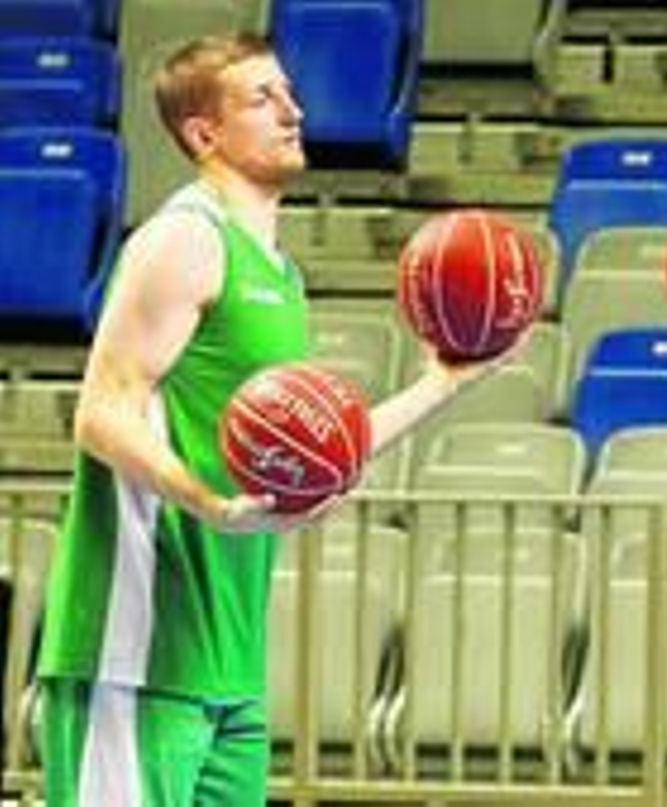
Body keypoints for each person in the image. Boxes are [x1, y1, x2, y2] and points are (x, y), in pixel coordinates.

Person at [35, 33, 514, 805]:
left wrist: (444, 382)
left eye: (289, 92)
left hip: (227, 667)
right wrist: (206, 501)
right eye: (263, 98)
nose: (294, 110)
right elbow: (100, 413)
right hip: (138, 654)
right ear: (204, 134)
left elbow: (328, 449)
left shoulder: (280, 275)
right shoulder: (185, 239)